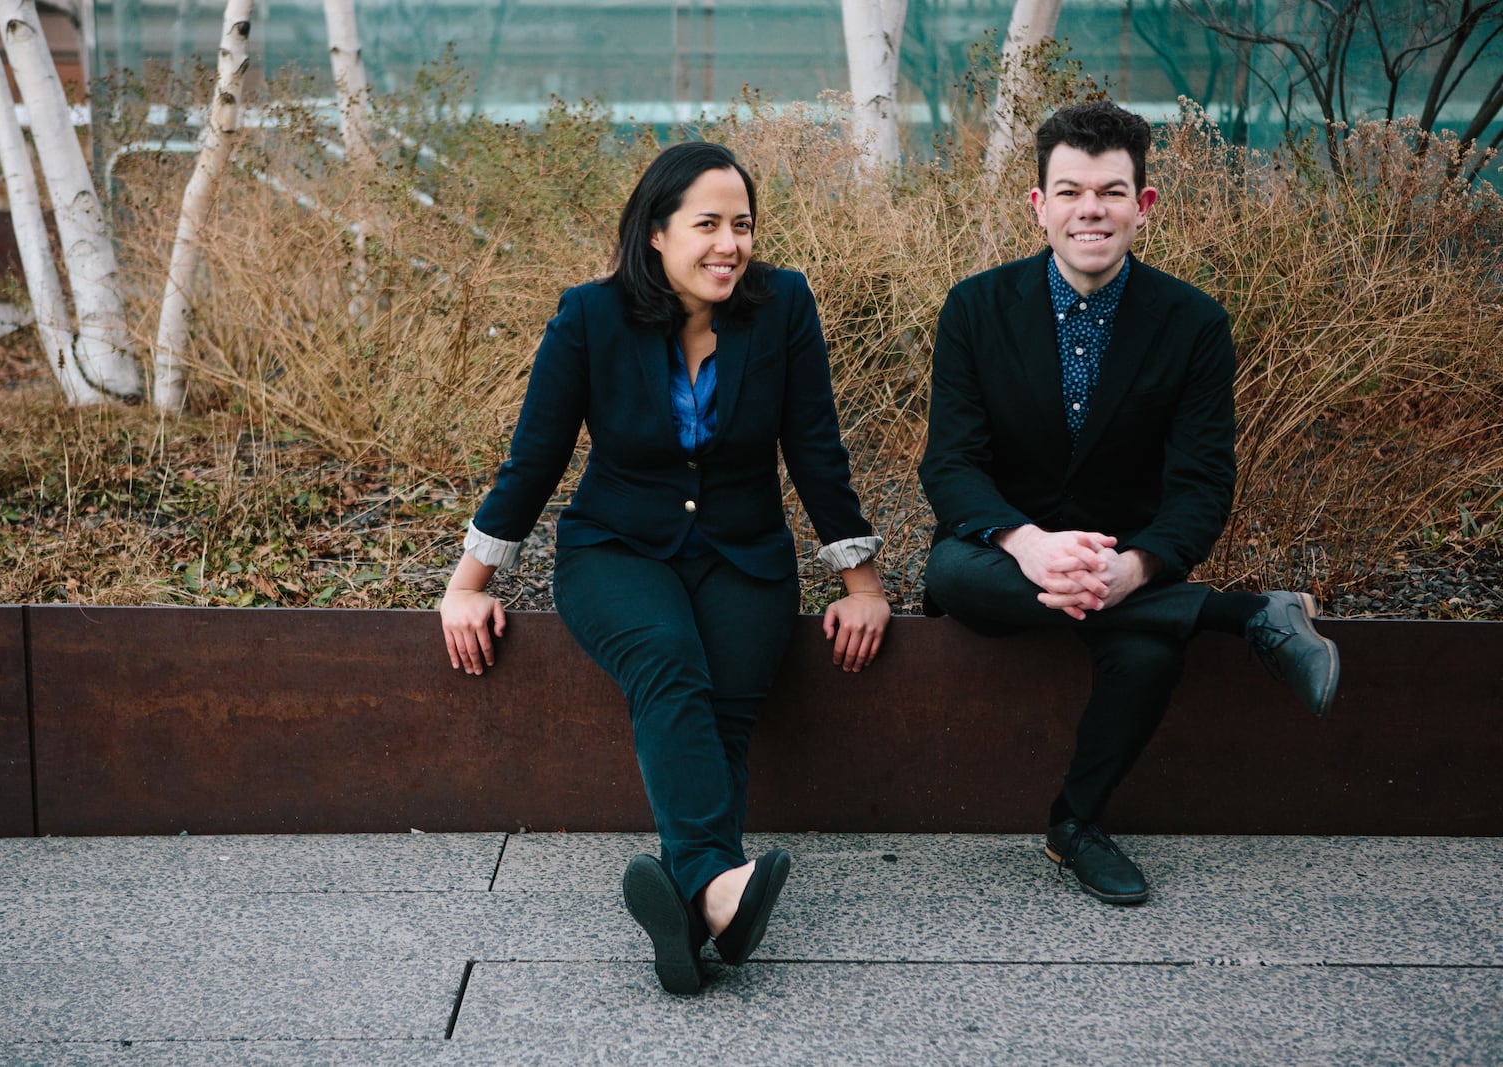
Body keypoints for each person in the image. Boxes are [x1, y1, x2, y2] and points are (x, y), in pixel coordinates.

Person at [439, 141, 891, 992]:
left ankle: (693, 908)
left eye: (744, 225)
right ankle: (724, 882)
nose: (731, 244)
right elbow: (533, 459)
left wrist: (859, 582)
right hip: (616, 549)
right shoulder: (589, 316)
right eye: (708, 224)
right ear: (655, 231)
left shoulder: (783, 305)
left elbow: (816, 450)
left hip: (745, 555)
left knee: (726, 706)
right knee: (668, 663)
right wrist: (470, 582)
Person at [918, 101, 1341, 906]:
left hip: (1129, 562)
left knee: (1149, 653)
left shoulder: (1193, 324)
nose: (1091, 210)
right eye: (1070, 190)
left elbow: (1202, 485)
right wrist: (1028, 542)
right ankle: (1239, 614)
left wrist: (1137, 565)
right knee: (951, 572)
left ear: (1141, 206)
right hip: (998, 560)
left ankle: (1075, 824)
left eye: (1111, 191)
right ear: (1038, 206)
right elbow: (951, 465)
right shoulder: (974, 309)